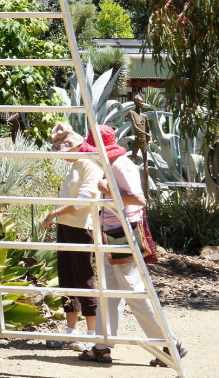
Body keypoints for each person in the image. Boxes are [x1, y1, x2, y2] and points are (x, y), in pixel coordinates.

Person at [78, 125, 187, 367]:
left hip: (122, 234)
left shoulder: (119, 165)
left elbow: (138, 198)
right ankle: (102, 345)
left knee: (134, 292)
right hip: (113, 234)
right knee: (111, 291)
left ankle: (169, 342)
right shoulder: (113, 165)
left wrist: (108, 191)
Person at [39, 122, 102, 351]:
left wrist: (54, 213)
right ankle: (71, 330)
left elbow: (84, 199)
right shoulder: (76, 165)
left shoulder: (89, 165)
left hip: (80, 227)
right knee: (67, 278)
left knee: (83, 278)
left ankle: (92, 333)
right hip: (66, 225)